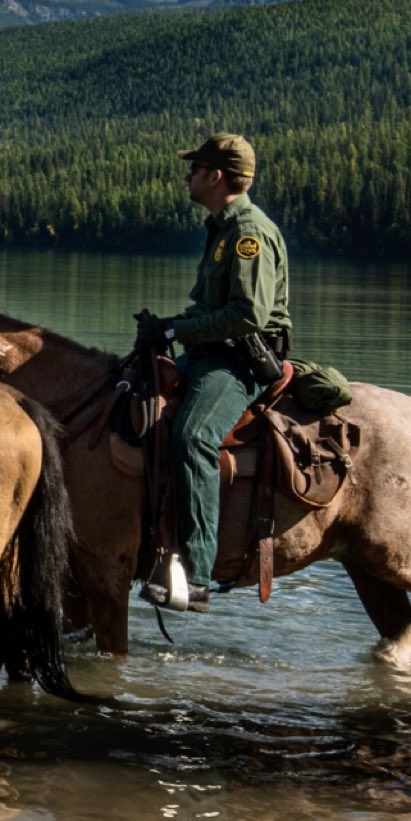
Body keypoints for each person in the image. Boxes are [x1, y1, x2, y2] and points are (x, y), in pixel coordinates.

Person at [138, 132, 291, 613]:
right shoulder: (222, 228)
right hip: (210, 353)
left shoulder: (248, 233)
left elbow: (248, 315)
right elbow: (213, 307)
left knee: (193, 437)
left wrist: (177, 330)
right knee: (128, 394)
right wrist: (169, 328)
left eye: (195, 168)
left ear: (216, 176)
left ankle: (197, 573)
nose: (188, 176)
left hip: (239, 361)